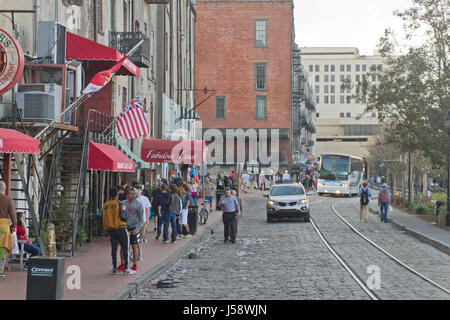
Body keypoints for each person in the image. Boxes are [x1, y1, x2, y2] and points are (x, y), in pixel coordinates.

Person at [102, 187, 136, 274]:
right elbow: (124, 217)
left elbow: (103, 218)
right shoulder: (120, 204)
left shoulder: (106, 205)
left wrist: (107, 227)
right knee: (125, 247)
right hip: (121, 227)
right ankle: (127, 267)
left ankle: (114, 268)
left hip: (111, 229)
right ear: (117, 194)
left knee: (114, 248)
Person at [124, 188, 145, 272]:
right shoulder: (123, 203)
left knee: (134, 246)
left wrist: (137, 228)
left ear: (135, 194)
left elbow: (141, 219)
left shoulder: (138, 204)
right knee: (124, 247)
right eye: (129, 193)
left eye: (132, 194)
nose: (130, 195)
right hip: (125, 227)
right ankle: (124, 264)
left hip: (134, 228)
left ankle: (135, 264)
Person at [0, 181, 17, 278]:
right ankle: (0, 270)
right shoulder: (8, 199)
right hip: (3, 226)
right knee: (2, 249)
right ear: (4, 189)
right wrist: (14, 225)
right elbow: (13, 214)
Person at [136, 185, 151, 260]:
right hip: (135, 222)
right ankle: (135, 253)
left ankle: (140, 253)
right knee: (135, 238)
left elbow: (148, 209)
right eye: (137, 190)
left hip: (143, 221)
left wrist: (147, 220)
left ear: (141, 191)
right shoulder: (133, 199)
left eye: (139, 190)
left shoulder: (145, 199)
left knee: (141, 238)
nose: (138, 191)